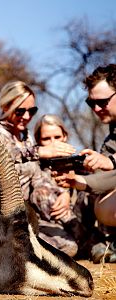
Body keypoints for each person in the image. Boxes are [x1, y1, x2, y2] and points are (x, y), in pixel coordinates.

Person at [0, 80, 80, 257]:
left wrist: (64, 192)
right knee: (64, 249)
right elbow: (2, 155)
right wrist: (39, 151)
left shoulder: (26, 135)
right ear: (5, 106)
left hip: (35, 207)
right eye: (20, 111)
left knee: (71, 241)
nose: (27, 116)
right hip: (6, 210)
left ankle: (87, 239)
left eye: (32, 111)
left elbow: (38, 174)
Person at [55, 64, 116, 263]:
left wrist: (111, 161)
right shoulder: (111, 138)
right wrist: (75, 180)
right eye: (92, 103)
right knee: (96, 202)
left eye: (103, 102)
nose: (97, 109)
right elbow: (107, 179)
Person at [34, 114, 99, 258]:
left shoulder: (81, 163)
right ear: (38, 141)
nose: (54, 143)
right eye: (46, 139)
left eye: (57, 137)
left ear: (65, 136)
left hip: (82, 224)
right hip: (51, 228)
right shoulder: (34, 168)